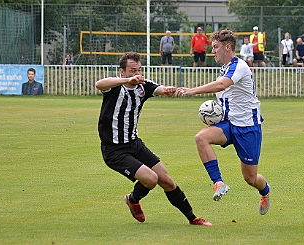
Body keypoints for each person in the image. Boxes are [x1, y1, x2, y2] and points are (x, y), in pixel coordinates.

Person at [95, 52, 212, 226]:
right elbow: (99, 84)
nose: (137, 74)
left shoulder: (142, 87)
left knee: (166, 180)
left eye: (139, 70)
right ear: (122, 71)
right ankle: (133, 200)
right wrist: (126, 81)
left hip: (134, 144)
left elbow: (160, 89)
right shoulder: (114, 87)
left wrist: (168, 91)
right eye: (132, 70)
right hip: (114, 150)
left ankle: (192, 218)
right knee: (151, 179)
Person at [177, 29, 270, 215]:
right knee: (201, 138)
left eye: (216, 47)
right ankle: (218, 183)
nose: (213, 51)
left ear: (228, 47)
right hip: (229, 124)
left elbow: (222, 85)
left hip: (248, 127)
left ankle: (265, 192)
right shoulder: (225, 68)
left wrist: (192, 91)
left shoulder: (240, 66)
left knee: (250, 178)